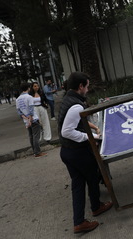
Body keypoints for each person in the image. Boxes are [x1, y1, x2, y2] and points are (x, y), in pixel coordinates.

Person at [58, 72, 112, 234]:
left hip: (67, 152)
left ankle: (79, 221)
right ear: (80, 86)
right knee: (93, 177)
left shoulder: (69, 100)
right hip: (77, 152)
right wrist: (92, 137)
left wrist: (93, 127)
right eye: (87, 86)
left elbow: (76, 119)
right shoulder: (76, 105)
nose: (87, 89)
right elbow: (67, 131)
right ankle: (96, 207)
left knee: (78, 186)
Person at [16, 83, 47, 158]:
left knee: (31, 136)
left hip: (26, 121)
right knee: (36, 136)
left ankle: (35, 151)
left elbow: (19, 112)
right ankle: (37, 152)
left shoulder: (18, 99)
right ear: (28, 88)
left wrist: (26, 119)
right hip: (33, 119)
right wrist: (30, 119)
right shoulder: (29, 97)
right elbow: (31, 109)